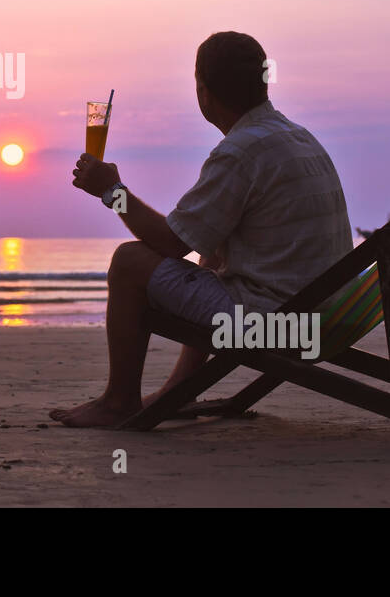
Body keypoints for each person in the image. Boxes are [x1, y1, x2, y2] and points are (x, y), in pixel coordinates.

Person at [53, 31, 352, 428]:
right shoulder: (295, 136)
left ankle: (118, 401)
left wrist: (112, 192)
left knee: (129, 261)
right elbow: (197, 239)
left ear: (204, 92)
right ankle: (179, 390)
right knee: (212, 253)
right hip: (329, 310)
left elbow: (172, 243)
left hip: (276, 320)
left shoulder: (239, 152)